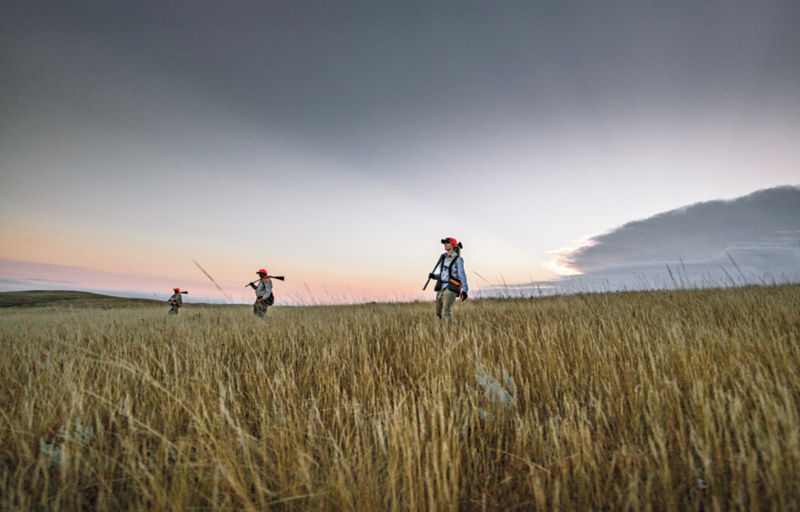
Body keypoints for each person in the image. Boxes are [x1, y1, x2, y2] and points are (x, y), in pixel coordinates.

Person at [428, 237, 468, 322]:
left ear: (453, 245)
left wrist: (465, 290)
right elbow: (443, 274)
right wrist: (434, 276)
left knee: (446, 312)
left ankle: (451, 332)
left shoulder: (458, 259)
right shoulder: (443, 259)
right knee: (438, 313)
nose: (445, 244)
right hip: (441, 287)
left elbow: (462, 275)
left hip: (451, 287)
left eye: (447, 242)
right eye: (444, 243)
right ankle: (449, 328)